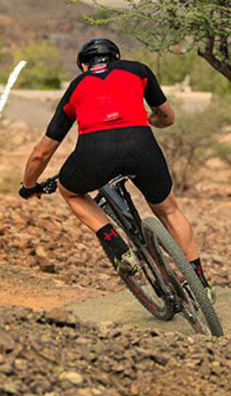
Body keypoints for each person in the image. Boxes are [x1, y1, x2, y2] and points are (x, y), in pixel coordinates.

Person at [18, 37, 214, 301]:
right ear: (116, 58)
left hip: (94, 152)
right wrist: (150, 120)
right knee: (169, 210)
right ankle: (200, 283)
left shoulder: (76, 86)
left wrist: (29, 186)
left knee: (70, 191)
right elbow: (167, 117)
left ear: (84, 65)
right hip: (141, 146)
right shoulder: (138, 70)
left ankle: (118, 247)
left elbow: (41, 153)